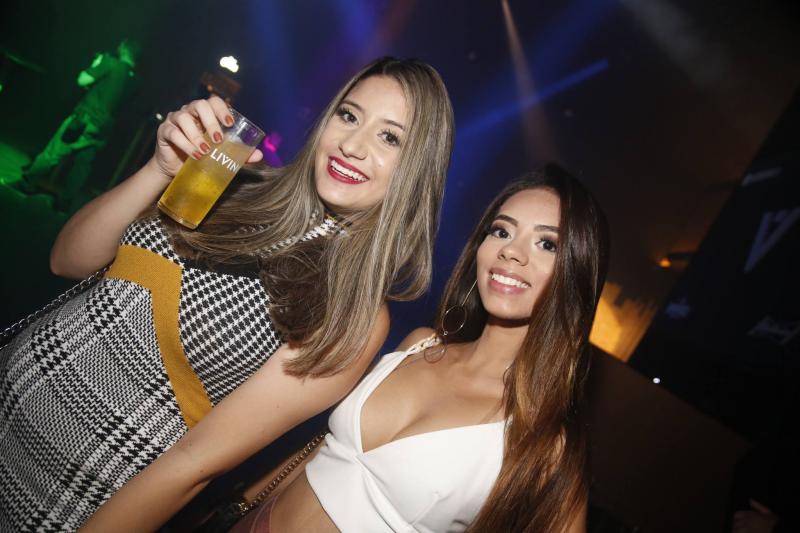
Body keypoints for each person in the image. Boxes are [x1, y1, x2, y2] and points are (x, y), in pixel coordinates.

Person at [0, 57, 454, 531]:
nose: (352, 145)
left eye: (389, 138)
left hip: (67, 489)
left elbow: (193, 463)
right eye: (349, 115)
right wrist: (159, 169)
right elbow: (68, 260)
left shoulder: (351, 310)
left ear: (417, 169)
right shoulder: (235, 182)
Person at [84, 165, 610, 532]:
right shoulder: (420, 345)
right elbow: (321, 453)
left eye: (547, 243)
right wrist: (228, 508)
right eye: (501, 231)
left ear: (578, 271)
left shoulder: (545, 442)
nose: (512, 253)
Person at [14, 39, 142, 211]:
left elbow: (82, 80)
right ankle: (64, 202)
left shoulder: (110, 63)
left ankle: (26, 184)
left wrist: (96, 64)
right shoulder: (135, 81)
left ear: (124, 49)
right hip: (103, 129)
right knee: (82, 166)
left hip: (84, 120)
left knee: (53, 153)